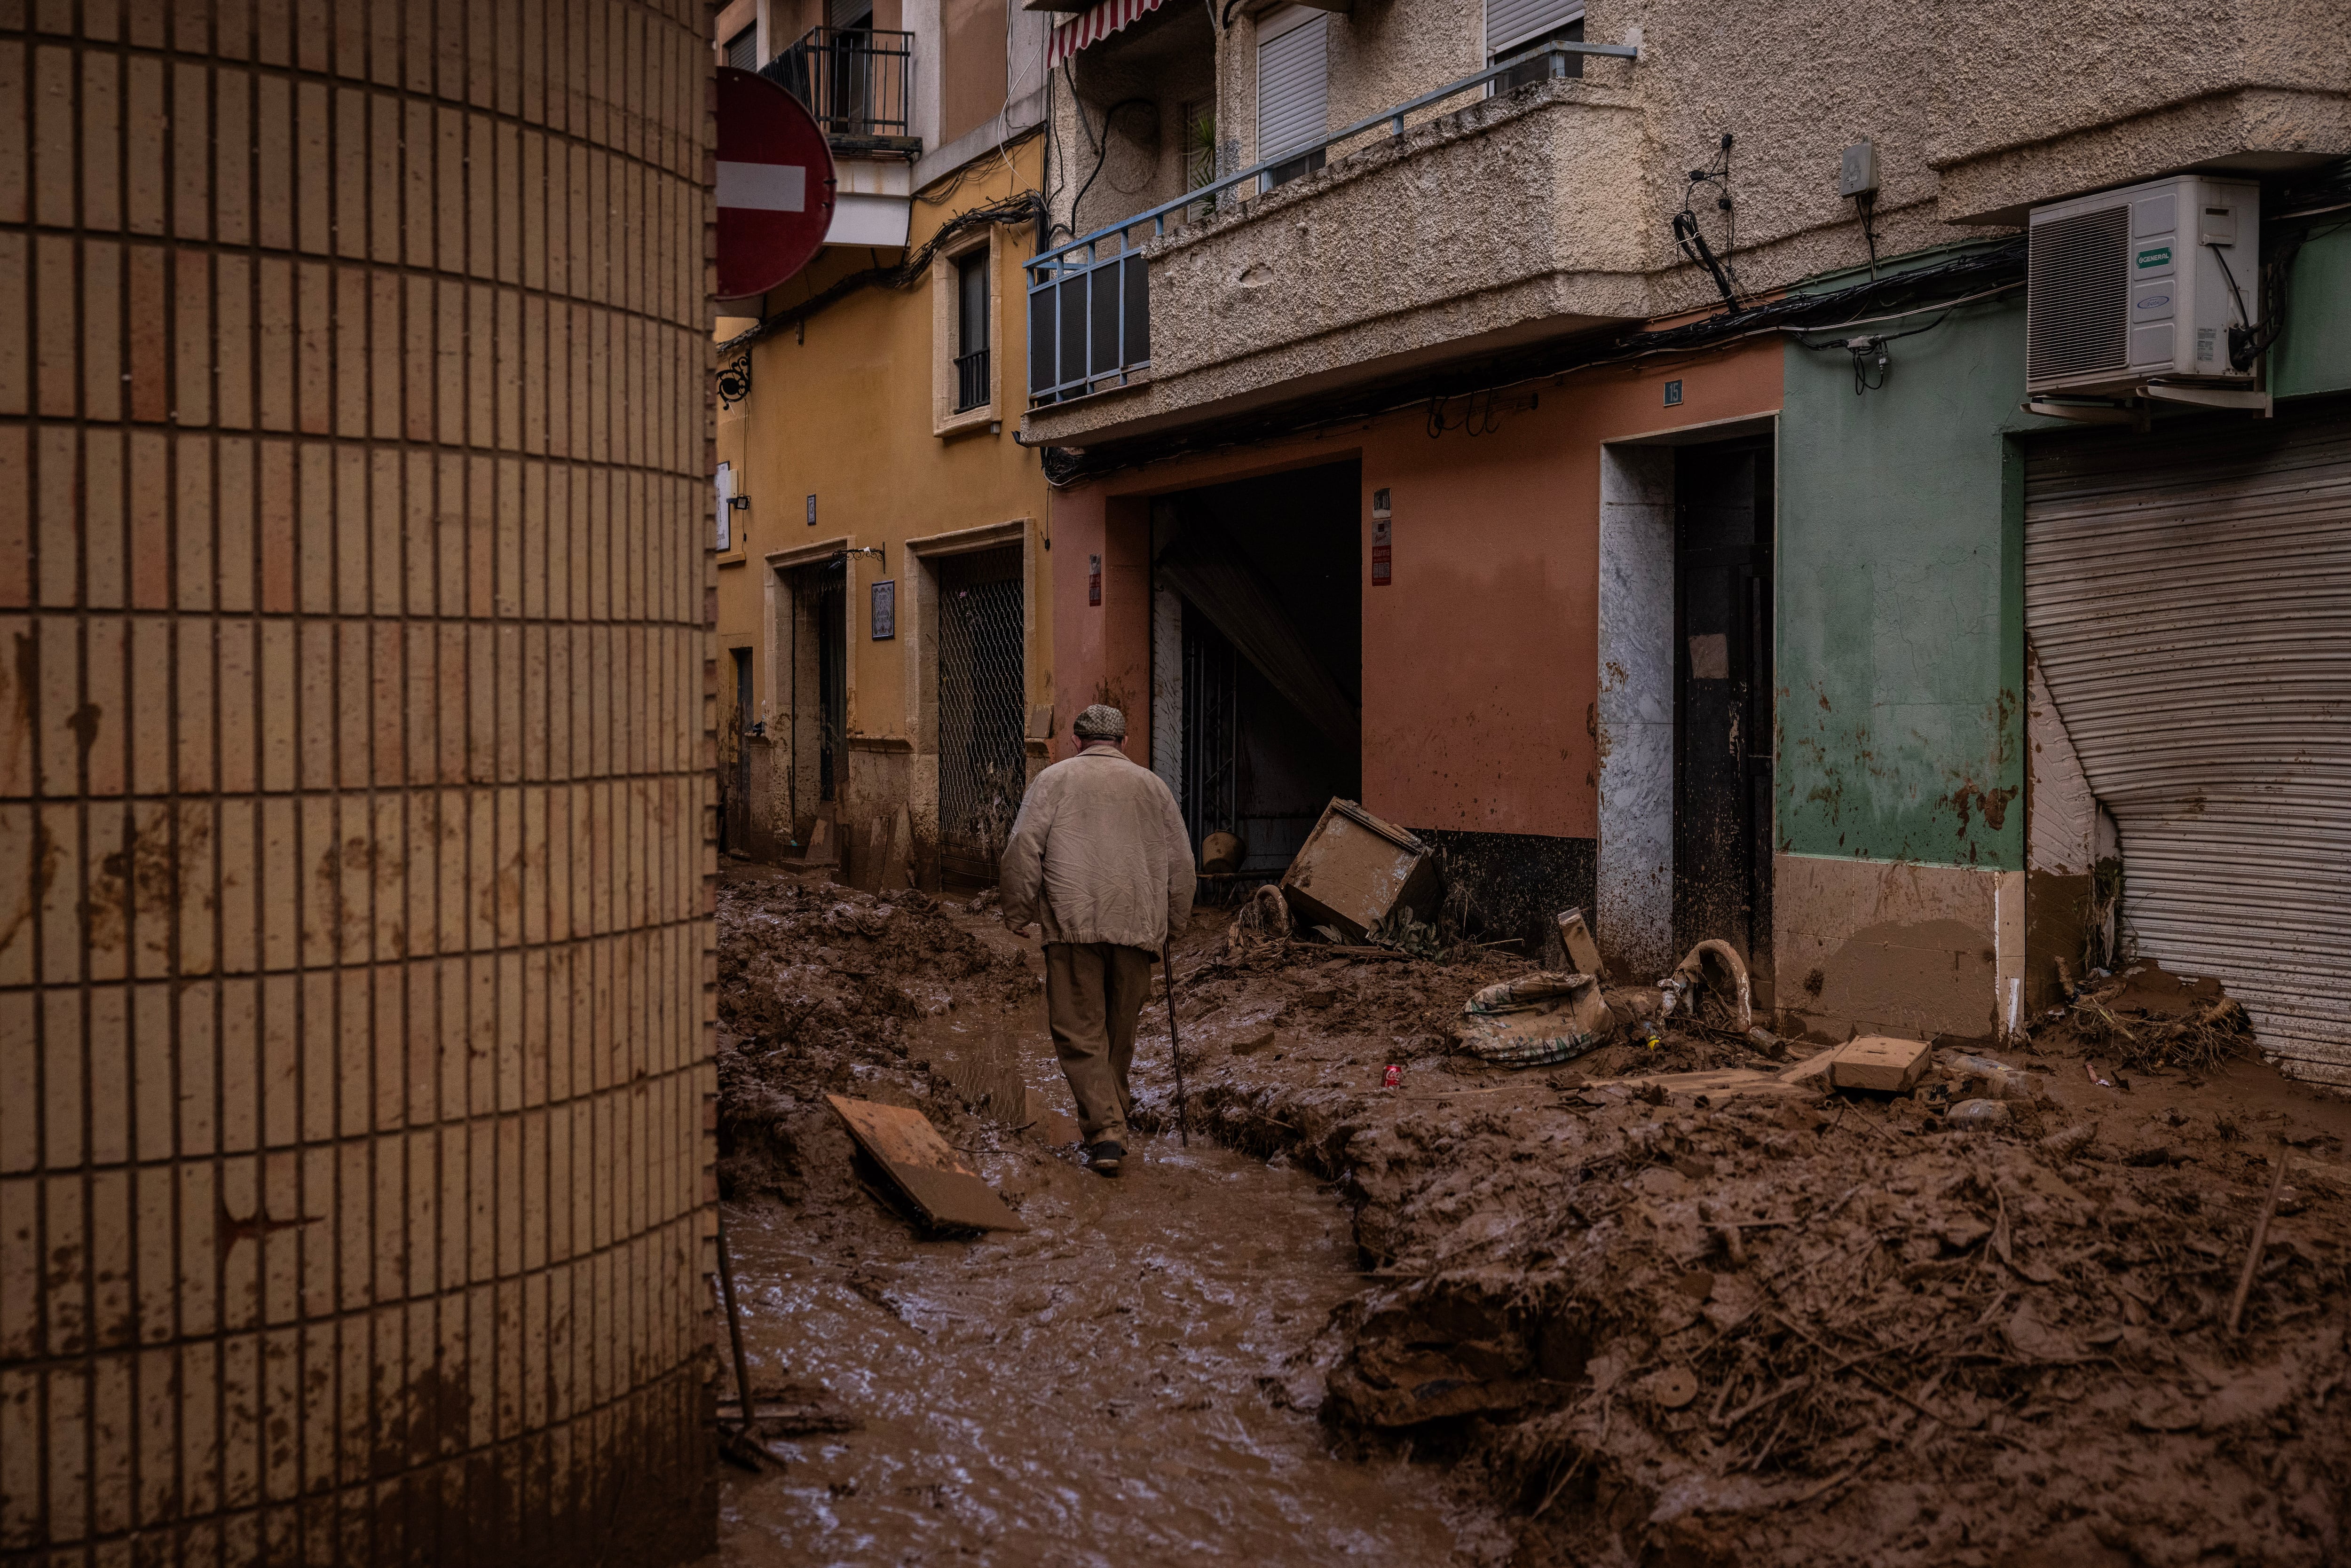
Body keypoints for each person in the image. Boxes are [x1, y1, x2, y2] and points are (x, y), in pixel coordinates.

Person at [999, 704, 1194, 1176]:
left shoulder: (1052, 780)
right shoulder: (1154, 787)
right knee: (1118, 1032)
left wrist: (1017, 911)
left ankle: (1106, 1132)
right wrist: (1173, 923)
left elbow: (1023, 846)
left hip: (1073, 923)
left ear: (1076, 741)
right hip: (1137, 927)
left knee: (1079, 1030)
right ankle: (1113, 1118)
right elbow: (1182, 864)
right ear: (1124, 743)